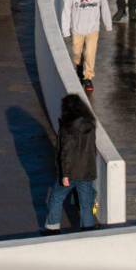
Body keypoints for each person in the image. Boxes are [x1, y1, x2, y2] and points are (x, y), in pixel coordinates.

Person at [43, 94, 98, 233]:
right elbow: (92, 149)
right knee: (86, 203)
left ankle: (52, 227)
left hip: (71, 172)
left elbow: (65, 153)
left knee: (56, 197)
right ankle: (88, 228)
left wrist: (65, 175)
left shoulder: (68, 127)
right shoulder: (90, 125)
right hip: (87, 171)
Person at [60, 0, 112, 92]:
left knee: (90, 54)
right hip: (77, 29)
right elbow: (66, 11)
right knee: (77, 53)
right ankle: (78, 66)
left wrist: (108, 24)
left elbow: (104, 7)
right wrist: (65, 30)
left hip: (92, 29)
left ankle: (88, 77)